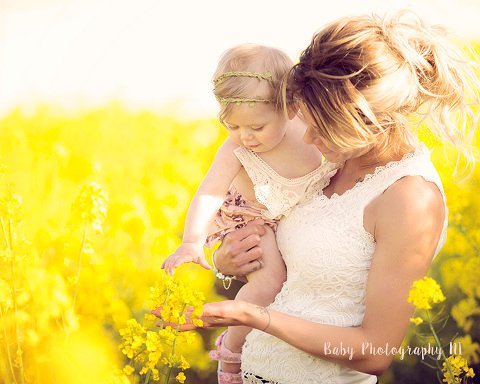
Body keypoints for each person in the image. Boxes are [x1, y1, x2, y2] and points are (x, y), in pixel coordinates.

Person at [154, 10, 479, 384]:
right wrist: (229, 265)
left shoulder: (409, 199)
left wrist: (249, 316)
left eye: (320, 126)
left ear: (363, 117)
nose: (307, 140)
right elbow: (296, 270)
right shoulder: (336, 162)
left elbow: (374, 354)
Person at [161, 44, 335, 383]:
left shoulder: (310, 128)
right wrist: (192, 241)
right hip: (253, 219)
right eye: (233, 126)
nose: (245, 136)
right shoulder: (235, 149)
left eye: (256, 126)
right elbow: (209, 191)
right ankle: (232, 353)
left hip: (298, 214)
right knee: (270, 282)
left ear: (290, 106)